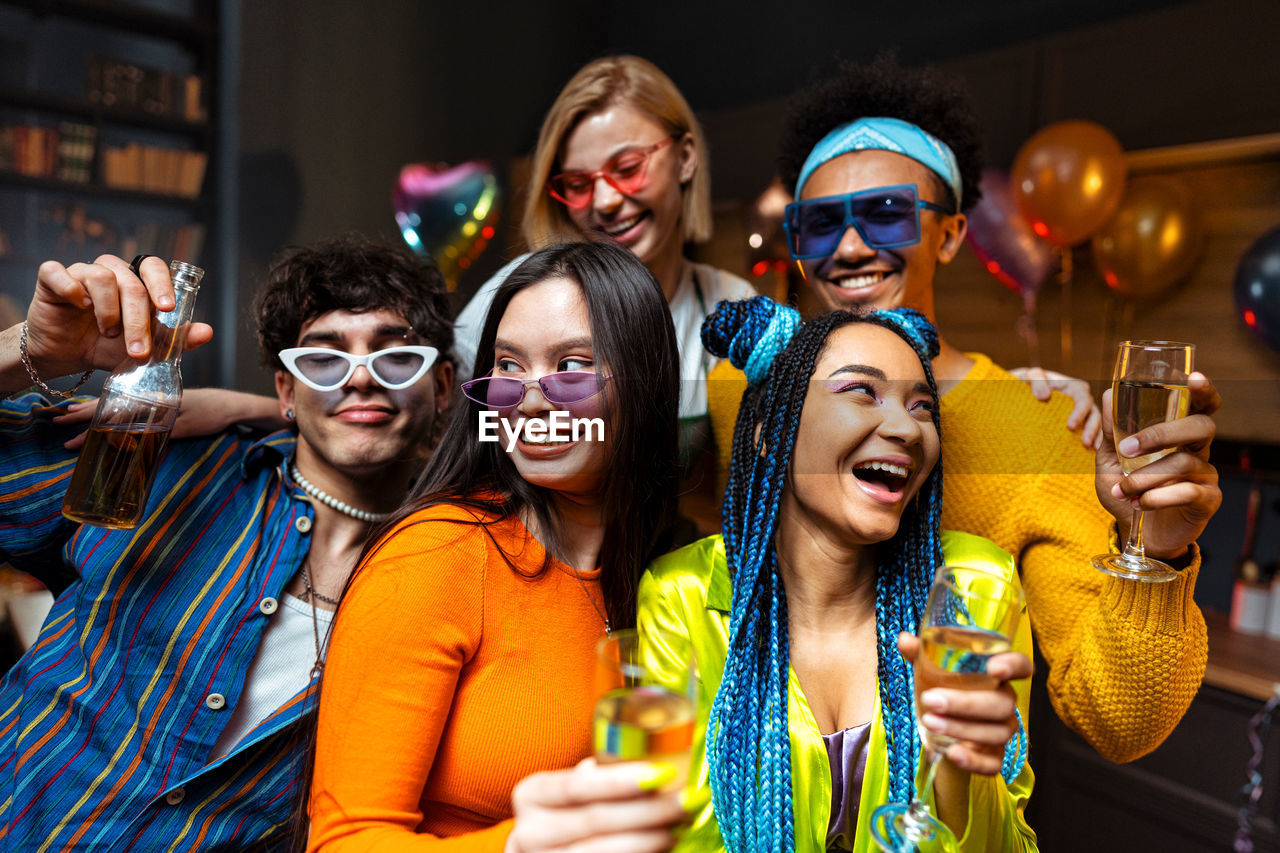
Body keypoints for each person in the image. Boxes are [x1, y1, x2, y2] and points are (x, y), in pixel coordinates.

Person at [706, 55, 1220, 763]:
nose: (850, 248)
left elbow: (1121, 721)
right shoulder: (739, 396)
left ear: (949, 234)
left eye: (886, 213)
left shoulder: (1040, 426)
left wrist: (1156, 549)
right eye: (820, 224)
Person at [0, 235, 454, 851]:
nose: (361, 378)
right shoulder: (161, 456)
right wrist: (32, 350)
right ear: (288, 391)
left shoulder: (455, 576)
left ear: (444, 387)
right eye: (322, 359)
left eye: (396, 357)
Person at [307, 241, 693, 851]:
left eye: (571, 366)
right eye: (509, 367)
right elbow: (343, 840)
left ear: (644, 382)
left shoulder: (673, 572)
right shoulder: (439, 554)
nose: (532, 399)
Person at [641, 296, 1036, 852]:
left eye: (923, 406)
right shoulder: (681, 593)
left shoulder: (974, 588)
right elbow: (677, 839)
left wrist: (962, 768)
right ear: (766, 432)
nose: (906, 427)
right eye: (861, 391)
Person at [453, 55, 757, 481]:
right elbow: (444, 426)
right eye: (578, 185)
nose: (605, 202)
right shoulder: (520, 291)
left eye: (628, 168)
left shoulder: (733, 308)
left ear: (686, 157)